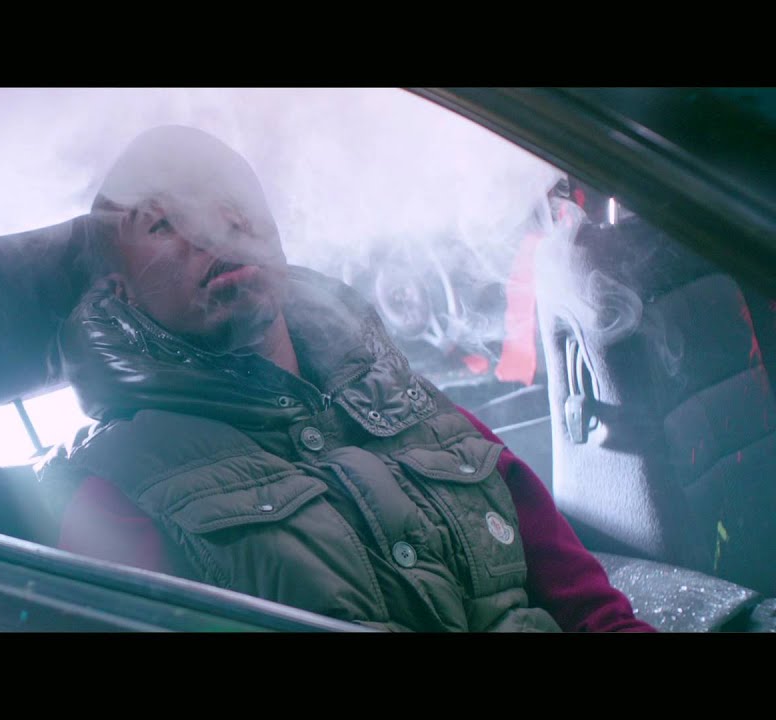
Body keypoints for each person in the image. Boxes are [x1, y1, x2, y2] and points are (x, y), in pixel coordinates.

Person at [36, 125, 655, 632]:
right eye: (163, 222)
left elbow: (594, 613)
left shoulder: (411, 402)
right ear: (118, 292)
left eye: (229, 199)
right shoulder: (116, 497)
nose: (213, 227)